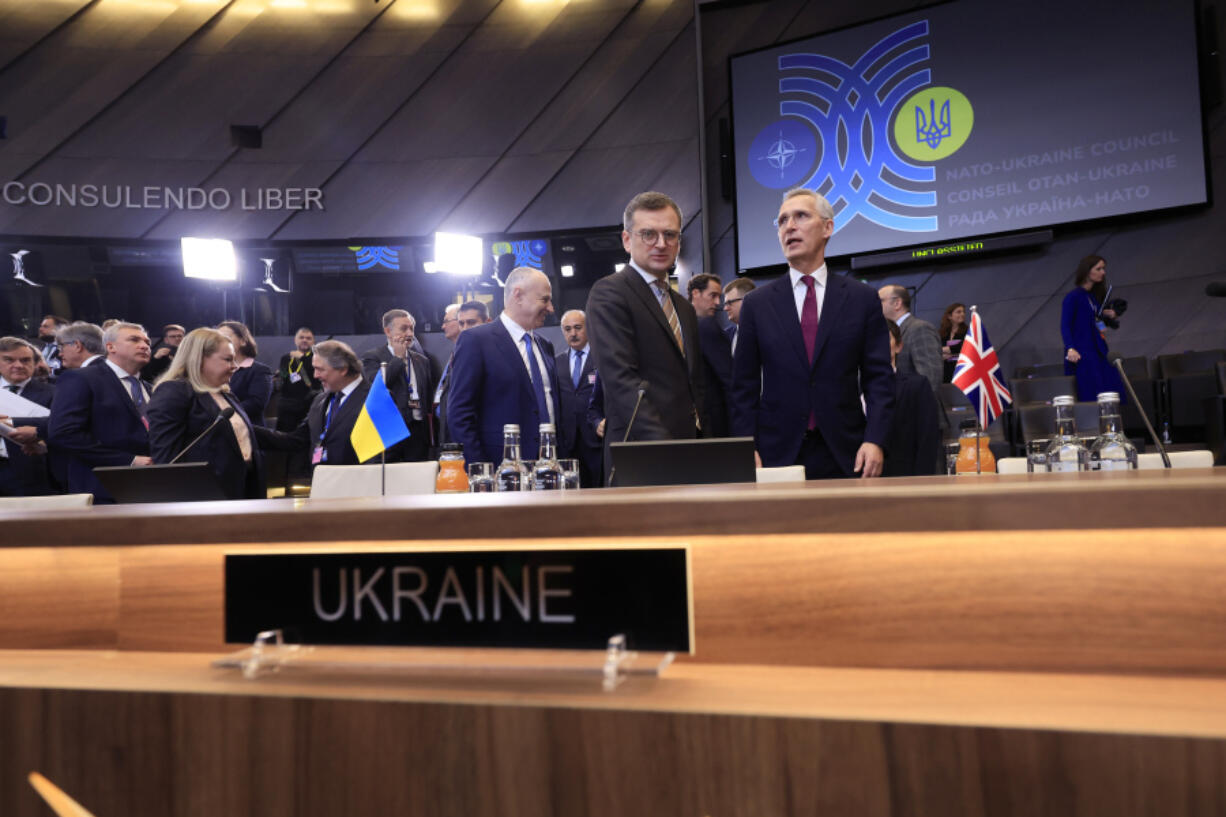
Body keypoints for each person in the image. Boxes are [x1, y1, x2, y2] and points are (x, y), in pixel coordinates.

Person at [730, 187, 894, 480]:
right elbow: (744, 386)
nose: (789, 226)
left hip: (848, 451)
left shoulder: (861, 299)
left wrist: (875, 439)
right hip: (776, 453)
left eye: (801, 216)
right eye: (782, 221)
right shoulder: (757, 304)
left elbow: (879, 379)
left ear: (828, 227)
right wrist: (746, 444)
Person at [586, 191, 704, 482]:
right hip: (642, 452)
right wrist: (665, 448)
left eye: (670, 234)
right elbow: (621, 381)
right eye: (648, 234)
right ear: (627, 240)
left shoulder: (684, 308)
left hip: (691, 450)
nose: (661, 244)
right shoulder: (609, 293)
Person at [447, 267, 560, 464]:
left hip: (549, 468)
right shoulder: (475, 341)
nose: (551, 308)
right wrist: (481, 470)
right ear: (518, 295)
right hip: (500, 471)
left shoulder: (545, 346)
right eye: (545, 299)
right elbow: (459, 415)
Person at [146, 328, 265, 499]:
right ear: (200, 359)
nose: (235, 366)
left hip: (241, 489)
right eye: (228, 359)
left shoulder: (223, 392)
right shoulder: (174, 391)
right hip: (203, 498)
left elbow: (241, 432)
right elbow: (167, 459)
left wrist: (295, 439)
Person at [46, 322, 153, 502]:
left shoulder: (149, 388)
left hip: (147, 488)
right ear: (110, 347)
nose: (144, 345)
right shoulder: (81, 378)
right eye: (134, 340)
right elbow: (64, 433)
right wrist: (129, 460)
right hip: (100, 490)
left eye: (147, 342)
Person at [261, 340, 370, 467]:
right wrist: (248, 429)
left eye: (320, 369)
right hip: (321, 481)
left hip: (356, 483)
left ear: (343, 369)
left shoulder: (374, 400)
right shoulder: (320, 400)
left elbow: (383, 455)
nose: (315, 375)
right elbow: (296, 440)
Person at [361, 309, 434, 461]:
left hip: (418, 431)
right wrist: (398, 358)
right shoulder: (373, 357)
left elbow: (427, 395)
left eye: (411, 328)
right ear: (388, 331)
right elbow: (378, 385)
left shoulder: (422, 360)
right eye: (403, 328)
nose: (409, 333)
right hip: (390, 431)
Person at [1062, 254, 1125, 402]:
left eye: (1103, 268)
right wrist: (1070, 347)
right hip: (1083, 353)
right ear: (1087, 271)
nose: (1103, 272)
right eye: (1099, 268)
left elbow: (1093, 320)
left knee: (1108, 392)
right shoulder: (1073, 297)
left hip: (1098, 350)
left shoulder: (1092, 298)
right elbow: (1065, 324)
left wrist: (1105, 315)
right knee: (1091, 394)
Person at [882, 321, 941, 477]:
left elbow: (927, 440)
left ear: (898, 346)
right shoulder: (851, 388)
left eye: (885, 338)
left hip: (903, 479)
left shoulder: (917, 386)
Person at [0, 337, 56, 496]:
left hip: (30, 474)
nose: (18, 365)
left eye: (25, 360)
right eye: (9, 360)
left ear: (35, 363)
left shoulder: (54, 393)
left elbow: (60, 428)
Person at [434, 300, 490, 447]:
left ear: (487, 322)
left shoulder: (492, 355)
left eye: (471, 322)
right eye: (461, 323)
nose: (465, 329)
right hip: (449, 436)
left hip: (475, 438)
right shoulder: (456, 353)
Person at [555, 309, 601, 487]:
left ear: (588, 327)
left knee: (598, 489)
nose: (572, 333)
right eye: (567, 329)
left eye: (577, 327)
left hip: (595, 438)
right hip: (567, 442)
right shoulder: (556, 362)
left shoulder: (600, 358)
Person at [879, 285, 942, 391]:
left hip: (917, 405)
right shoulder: (891, 331)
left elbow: (930, 378)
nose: (875, 305)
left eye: (880, 300)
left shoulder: (920, 329)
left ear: (897, 303)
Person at [217, 320, 274, 427]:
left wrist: (222, 411)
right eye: (218, 338)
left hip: (249, 428)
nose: (221, 341)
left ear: (243, 341)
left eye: (226, 337)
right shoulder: (217, 368)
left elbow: (256, 403)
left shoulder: (260, 370)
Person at [275, 327, 321, 432]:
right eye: (301, 337)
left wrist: (302, 359)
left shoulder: (317, 357)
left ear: (313, 342)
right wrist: (281, 374)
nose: (304, 340)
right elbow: (284, 376)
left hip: (308, 405)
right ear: (295, 340)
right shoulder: (286, 358)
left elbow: (315, 377)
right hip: (287, 405)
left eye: (308, 338)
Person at [938, 302, 967, 383]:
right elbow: (935, 349)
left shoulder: (968, 330)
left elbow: (964, 347)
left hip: (962, 371)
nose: (962, 314)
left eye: (963, 312)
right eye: (959, 312)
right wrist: (953, 352)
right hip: (945, 373)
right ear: (949, 316)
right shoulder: (942, 332)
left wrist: (947, 350)